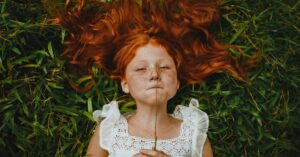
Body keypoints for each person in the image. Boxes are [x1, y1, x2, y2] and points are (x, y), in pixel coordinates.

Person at [48, 0, 258, 156]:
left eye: (165, 67)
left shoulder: (193, 132)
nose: (154, 74)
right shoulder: (111, 128)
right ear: (125, 84)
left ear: (177, 83)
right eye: (140, 69)